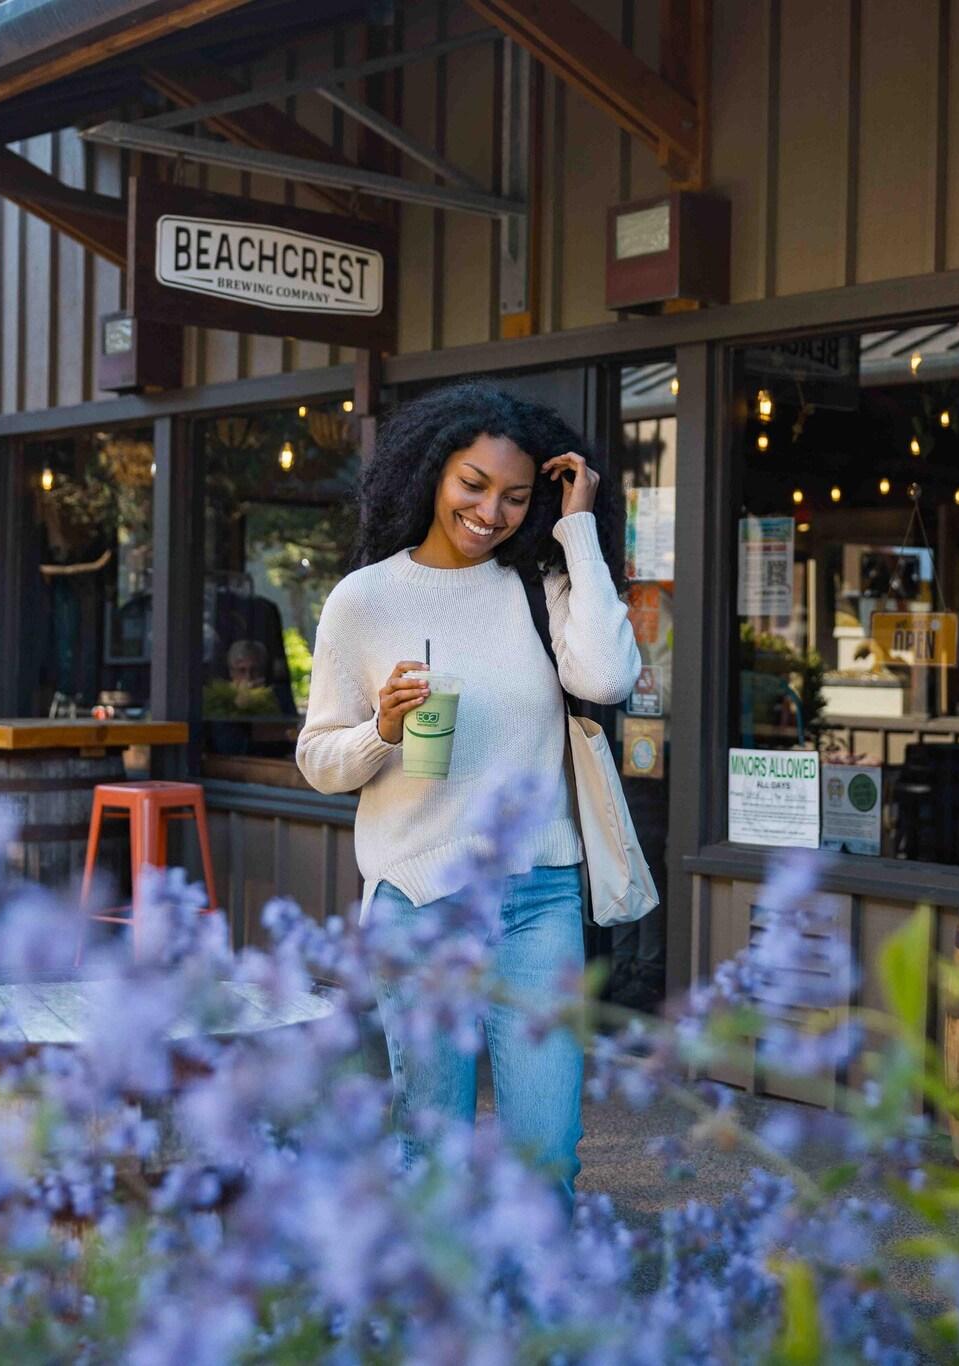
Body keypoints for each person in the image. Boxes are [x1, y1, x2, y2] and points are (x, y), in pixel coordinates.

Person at [295, 383, 640, 1204]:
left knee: (548, 1151)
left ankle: (538, 1322)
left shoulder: (539, 585)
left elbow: (608, 675)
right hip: (419, 899)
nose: (492, 511)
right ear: (432, 474)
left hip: (539, 896)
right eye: (473, 485)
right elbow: (318, 758)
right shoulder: (366, 599)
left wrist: (576, 528)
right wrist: (381, 729)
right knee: (435, 1149)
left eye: (516, 496)